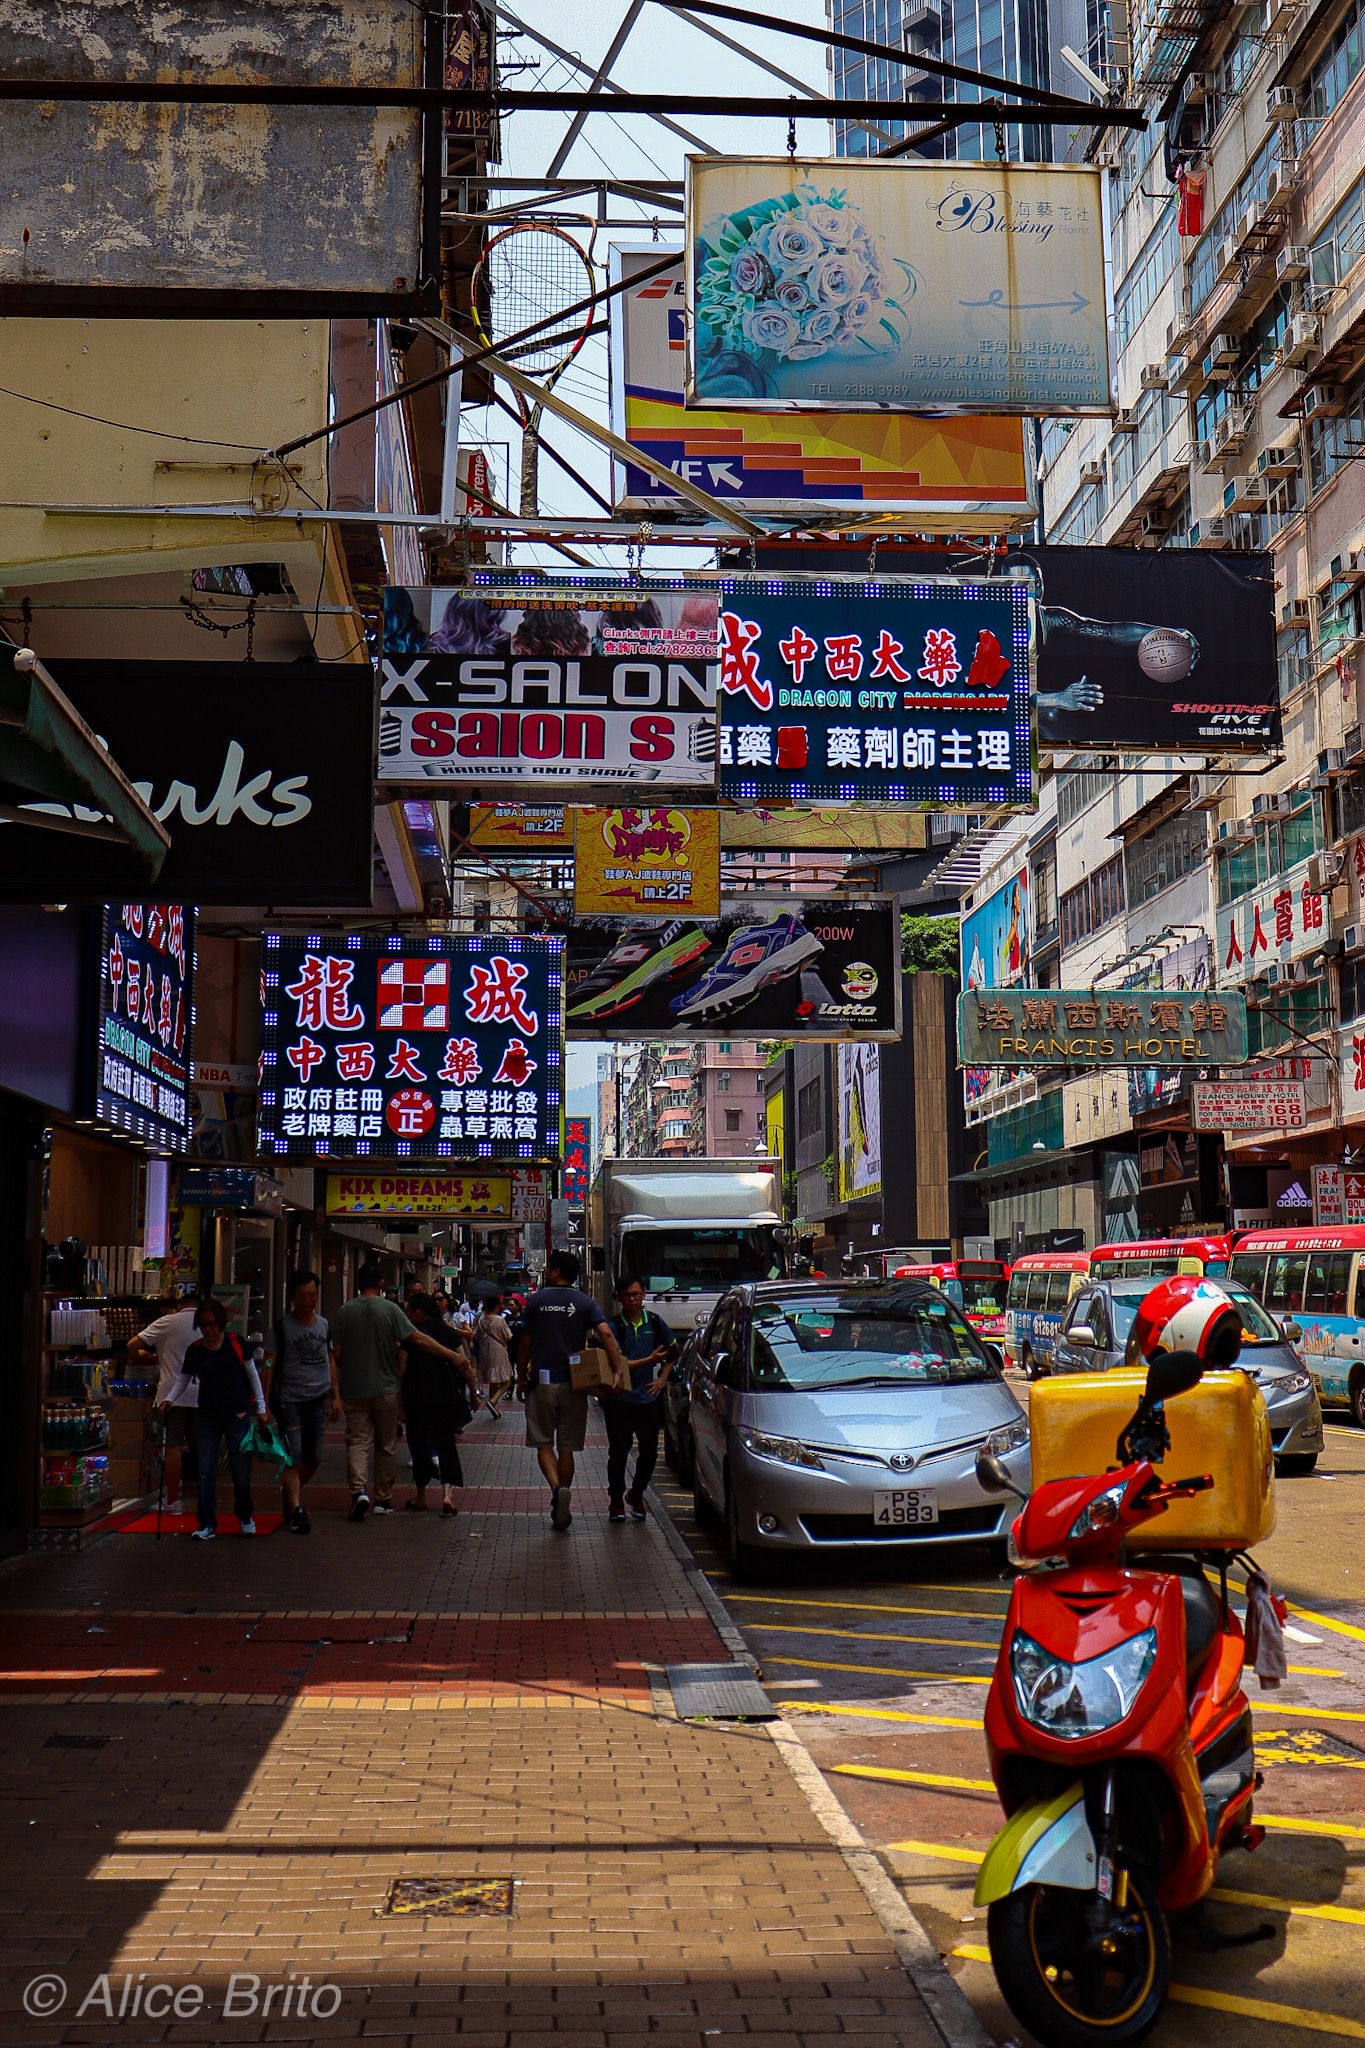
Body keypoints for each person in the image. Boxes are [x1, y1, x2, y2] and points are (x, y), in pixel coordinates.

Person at [330, 1262, 467, 1521]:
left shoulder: (345, 1312)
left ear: (358, 1283)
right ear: (381, 1283)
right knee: (386, 1444)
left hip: (355, 1389)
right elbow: (417, 1339)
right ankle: (383, 1498)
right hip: (386, 1388)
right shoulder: (391, 1310)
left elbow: (336, 1355)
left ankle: (359, 1491)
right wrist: (451, 1355)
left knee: (357, 1442)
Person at [517, 1249, 625, 1532]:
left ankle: (556, 1491)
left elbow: (525, 1343)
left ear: (554, 1272)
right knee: (567, 1447)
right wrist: (617, 1370)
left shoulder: (536, 1301)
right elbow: (607, 1335)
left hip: (542, 1383)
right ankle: (564, 1488)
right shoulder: (585, 1302)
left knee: (543, 1444)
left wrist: (520, 1376)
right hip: (575, 1386)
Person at [160, 1298, 267, 1540]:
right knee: (205, 1471)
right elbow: (184, 1379)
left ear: (221, 1324)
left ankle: (245, 1515)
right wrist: (169, 1399)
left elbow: (252, 1375)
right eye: (204, 1325)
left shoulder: (236, 1344)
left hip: (236, 1415)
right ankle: (206, 1523)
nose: (207, 1329)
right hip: (207, 1416)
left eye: (211, 1324)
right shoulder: (196, 1350)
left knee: (240, 1470)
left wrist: (260, 1408)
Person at [262, 1269, 341, 1536]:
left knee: (314, 1457)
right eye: (302, 1296)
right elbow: (269, 1363)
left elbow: (330, 1359)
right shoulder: (282, 1328)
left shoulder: (324, 1325)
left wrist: (335, 1396)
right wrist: (264, 1402)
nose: (309, 1300)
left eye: (312, 1294)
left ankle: (290, 1493)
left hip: (317, 1398)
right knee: (294, 1456)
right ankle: (296, 1510)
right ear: (293, 1297)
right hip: (289, 1400)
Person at [603, 1278, 678, 1522]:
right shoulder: (614, 1327)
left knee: (649, 1452)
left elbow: (672, 1353)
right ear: (618, 1298)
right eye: (626, 1295)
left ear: (643, 1295)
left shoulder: (655, 1323)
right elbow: (617, 1365)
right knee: (619, 1452)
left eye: (635, 1294)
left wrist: (662, 1379)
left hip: (647, 1400)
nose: (632, 1299)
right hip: (619, 1401)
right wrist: (649, 1360)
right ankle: (616, 1501)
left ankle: (636, 1493)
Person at [402, 1292, 477, 1515]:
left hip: (417, 1398)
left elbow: (401, 1370)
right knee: (446, 1445)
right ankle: (447, 1496)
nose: (407, 1314)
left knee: (419, 1445)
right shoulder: (448, 1333)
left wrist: (399, 1403)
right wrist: (474, 1393)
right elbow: (464, 1365)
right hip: (445, 1396)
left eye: (409, 1310)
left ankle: (421, 1496)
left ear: (418, 1312)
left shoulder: (411, 1337)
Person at [127, 1292, 202, 1516]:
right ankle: (207, 1498)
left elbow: (132, 1346)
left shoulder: (167, 1322)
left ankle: (172, 1501)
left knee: (173, 1447)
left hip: (171, 1396)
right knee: (204, 1448)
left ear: (179, 1306)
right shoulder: (209, 1323)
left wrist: (145, 1357)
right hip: (202, 1394)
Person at [474, 1294, 515, 1418]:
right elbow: (508, 1336)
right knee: (507, 1380)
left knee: (493, 1381)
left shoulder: (481, 1321)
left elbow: (475, 1336)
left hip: (485, 1352)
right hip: (498, 1351)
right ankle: (493, 1401)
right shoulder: (499, 1320)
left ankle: (494, 1408)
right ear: (496, 1306)